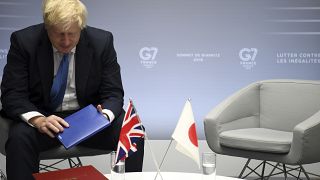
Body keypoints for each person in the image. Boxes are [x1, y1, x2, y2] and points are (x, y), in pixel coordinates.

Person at [0, 0, 144, 179]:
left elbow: (113, 92)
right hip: (45, 120)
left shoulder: (102, 41)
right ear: (47, 27)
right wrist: (37, 120)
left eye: (72, 34)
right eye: (59, 34)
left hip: (88, 121)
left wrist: (103, 117)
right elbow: (12, 94)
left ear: (81, 28)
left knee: (130, 130)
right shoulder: (24, 42)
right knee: (20, 138)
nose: (66, 41)